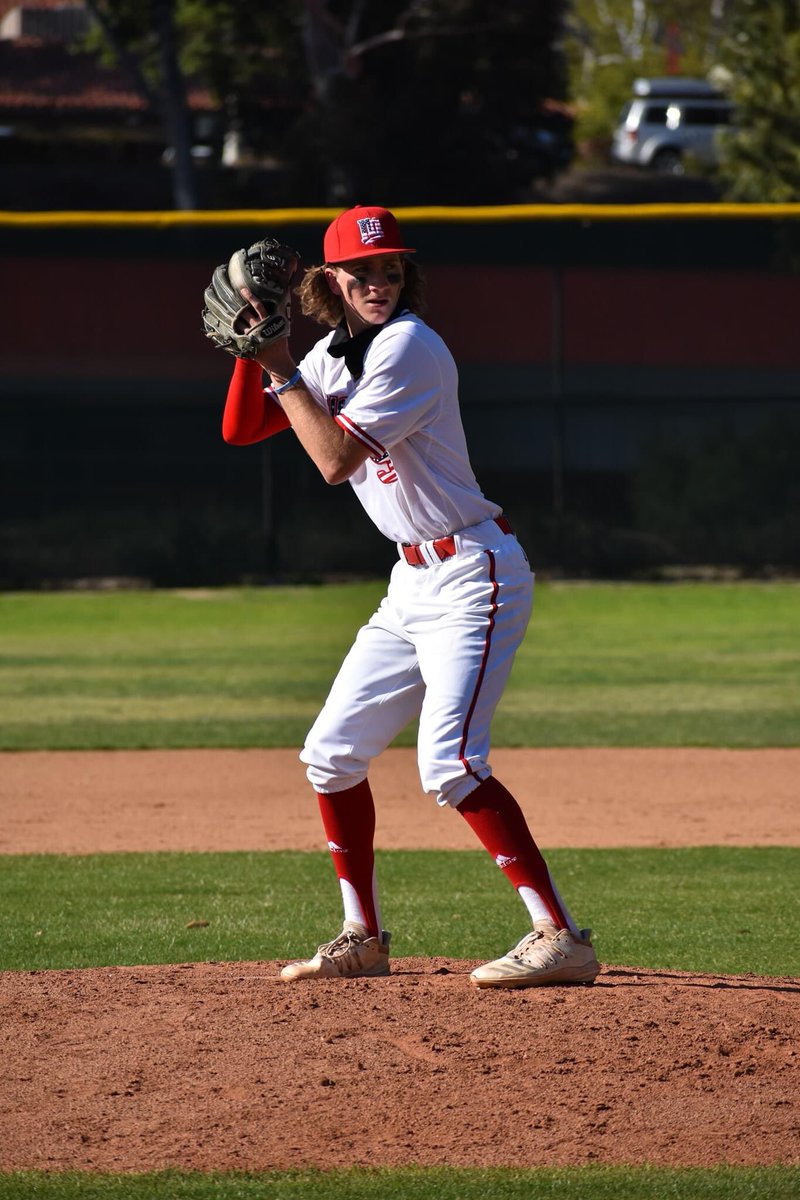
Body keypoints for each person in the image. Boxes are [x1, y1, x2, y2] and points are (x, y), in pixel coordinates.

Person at [221, 205, 599, 988]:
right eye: (360, 271)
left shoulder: (410, 348)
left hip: (474, 574)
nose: (378, 282)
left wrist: (281, 364)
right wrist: (252, 348)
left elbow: (331, 461)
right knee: (330, 756)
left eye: (390, 268)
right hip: (411, 582)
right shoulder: (331, 352)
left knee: (450, 764)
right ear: (330, 281)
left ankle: (560, 936)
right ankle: (361, 937)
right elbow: (242, 429)